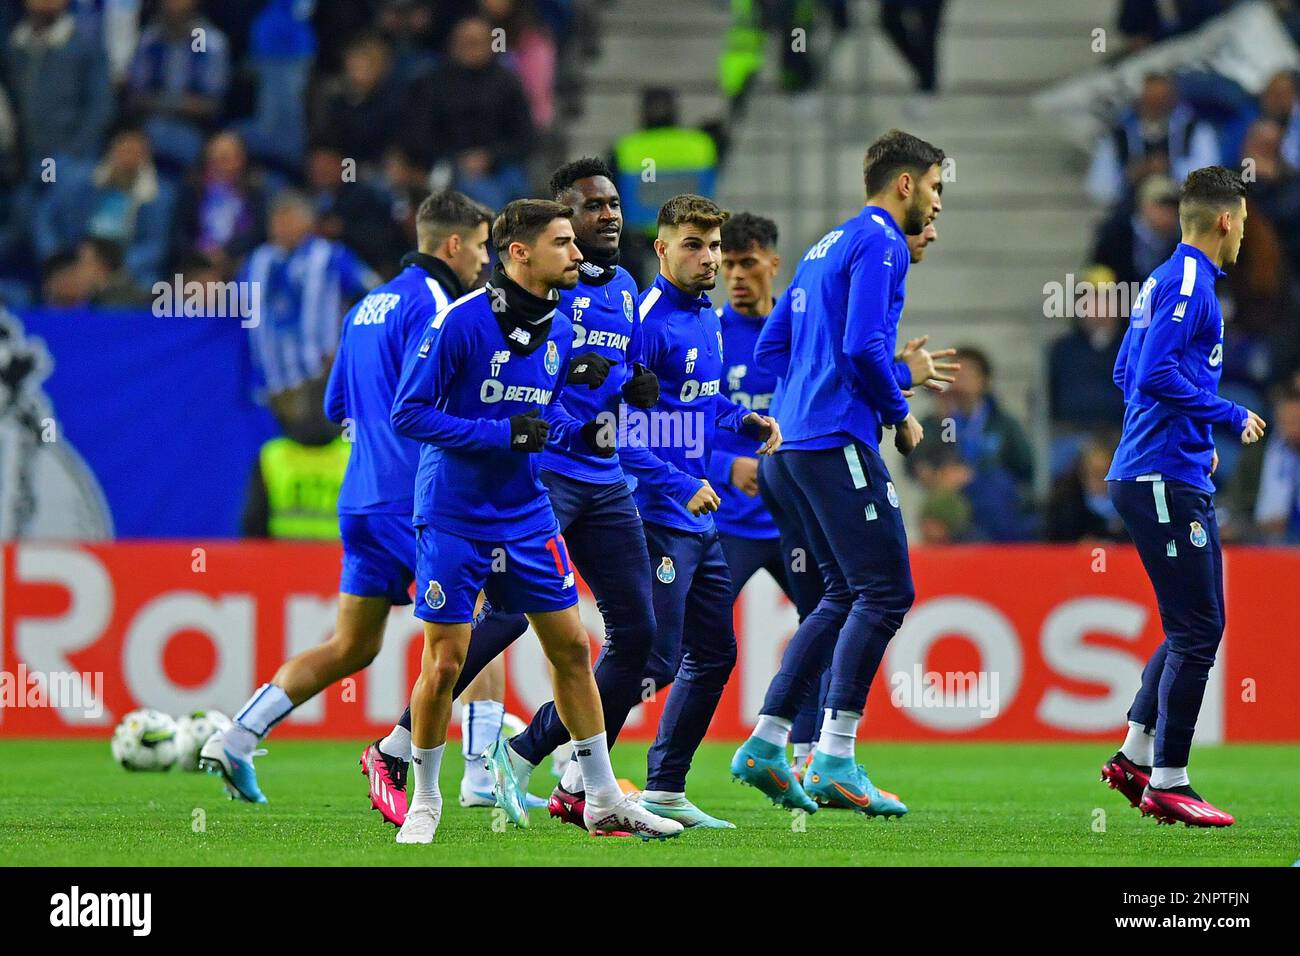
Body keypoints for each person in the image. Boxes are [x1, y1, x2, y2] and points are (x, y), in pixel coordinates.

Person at [368, 158, 666, 828]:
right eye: (563, 242)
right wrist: (503, 435)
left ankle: (602, 800)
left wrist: (592, 420)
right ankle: (424, 799)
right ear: (519, 253)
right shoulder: (461, 322)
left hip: (528, 512)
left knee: (572, 651)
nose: (576, 252)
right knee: (445, 662)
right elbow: (409, 415)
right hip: (454, 512)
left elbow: (547, 414)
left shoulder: (561, 326)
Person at [198, 190, 492, 806]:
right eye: (484, 248)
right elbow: (434, 401)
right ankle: (480, 778)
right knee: (480, 619)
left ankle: (238, 735)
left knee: (353, 646)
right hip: (412, 498)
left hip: (359, 497)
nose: (486, 264)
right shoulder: (441, 303)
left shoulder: (364, 306)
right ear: (454, 244)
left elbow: (335, 407)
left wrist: (375, 436)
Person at [730, 129, 944, 816]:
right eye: (936, 188)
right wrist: (899, 413)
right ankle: (833, 757)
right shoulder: (880, 241)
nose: (937, 207)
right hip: (834, 442)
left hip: (789, 449)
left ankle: (767, 740)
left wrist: (808, 391)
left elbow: (770, 347)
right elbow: (861, 344)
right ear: (904, 184)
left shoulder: (825, 245)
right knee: (884, 593)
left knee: (841, 597)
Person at [1099, 165, 1267, 827]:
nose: (1245, 234)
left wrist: (1188, 427)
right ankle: (1169, 779)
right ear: (1225, 220)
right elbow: (1151, 373)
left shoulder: (1165, 281)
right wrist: (1222, 413)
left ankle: (1137, 756)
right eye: (1245, 222)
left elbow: (1123, 371)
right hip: (1161, 476)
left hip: (1163, 469)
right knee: (1200, 629)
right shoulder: (1192, 283)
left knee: (1191, 624)